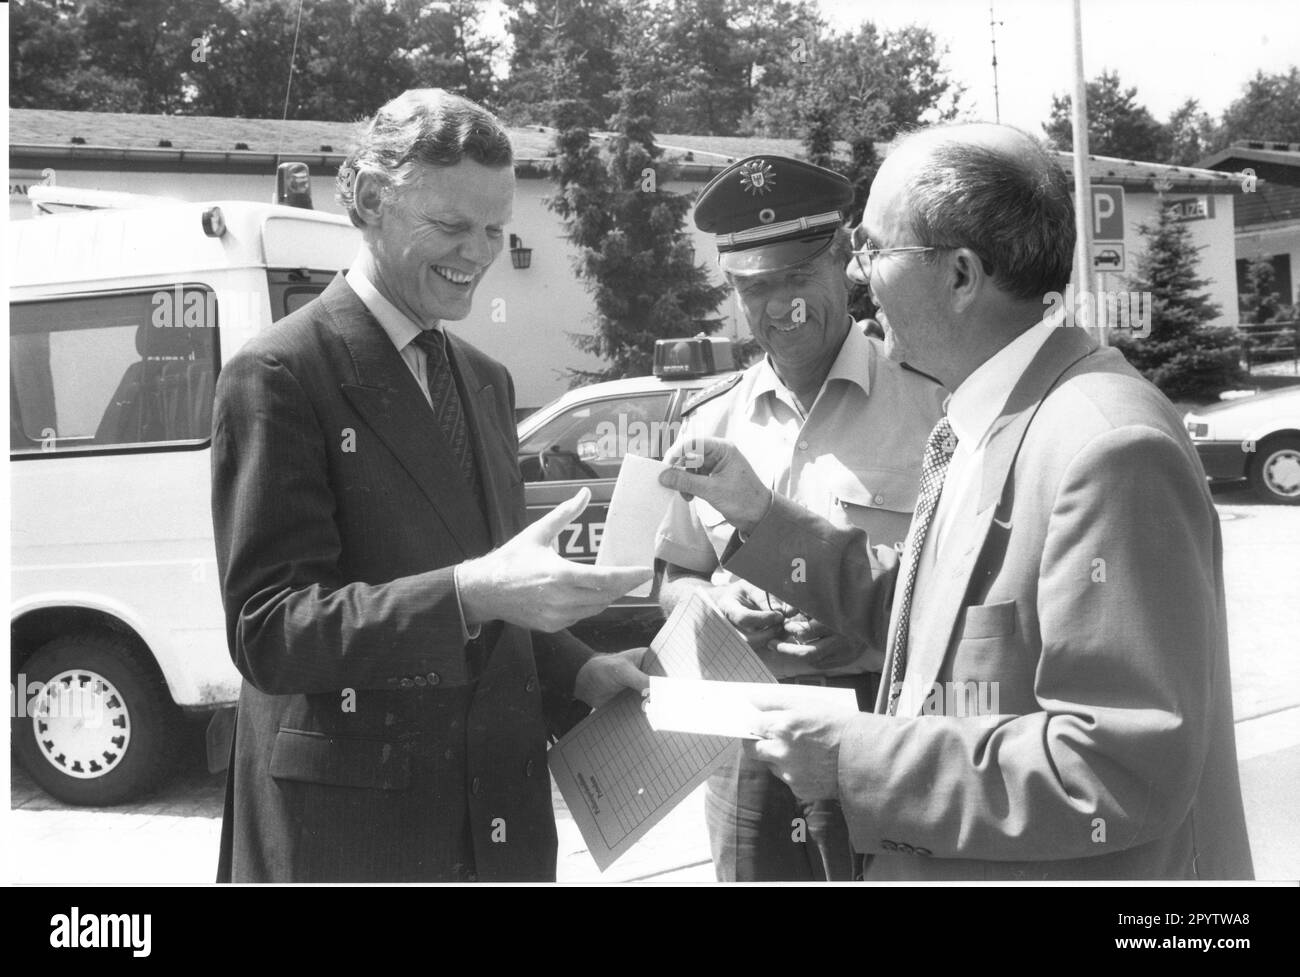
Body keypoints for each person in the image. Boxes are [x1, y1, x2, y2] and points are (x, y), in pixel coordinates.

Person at [660, 123, 1254, 880]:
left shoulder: (1104, 447)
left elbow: (1117, 765)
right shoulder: (985, 417)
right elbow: (932, 624)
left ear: (962, 275)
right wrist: (762, 518)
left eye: (873, 250)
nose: (861, 276)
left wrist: (849, 757)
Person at [211, 89, 650, 883]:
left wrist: (580, 669)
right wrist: (468, 592)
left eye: (494, 230)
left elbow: (497, 592)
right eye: (452, 227)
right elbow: (270, 630)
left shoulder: (483, 379)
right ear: (373, 200)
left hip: (497, 825)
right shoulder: (280, 374)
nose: (479, 252)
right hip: (355, 836)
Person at [655, 155, 944, 882]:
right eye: (756, 287)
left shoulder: (936, 402)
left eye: (797, 278)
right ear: (731, 287)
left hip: (886, 720)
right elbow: (672, 574)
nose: (781, 306)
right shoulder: (708, 418)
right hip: (747, 731)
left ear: (844, 257)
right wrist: (713, 607)